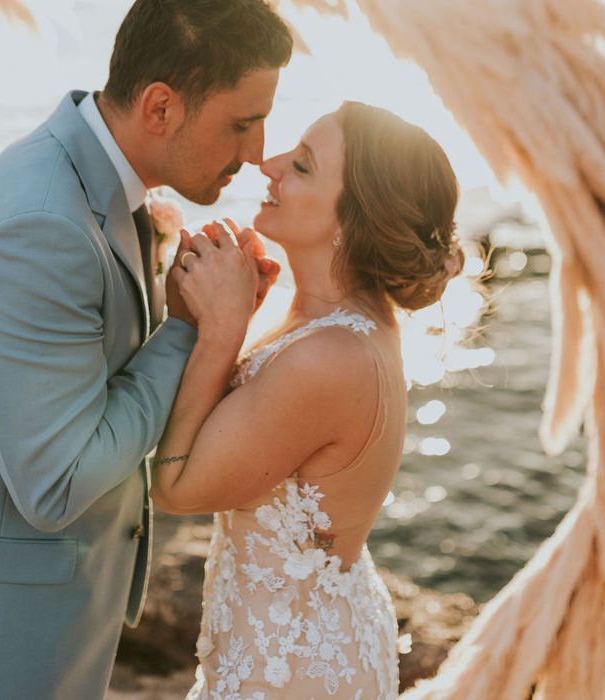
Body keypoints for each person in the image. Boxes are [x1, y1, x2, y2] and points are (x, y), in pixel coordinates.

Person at [0, 2, 292, 699]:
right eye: (242, 123)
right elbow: (57, 482)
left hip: (36, 619)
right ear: (160, 106)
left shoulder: (92, 188)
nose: (256, 152)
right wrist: (190, 328)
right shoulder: (38, 229)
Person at [151, 101, 464, 699]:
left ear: (352, 218)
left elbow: (175, 488)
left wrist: (217, 334)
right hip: (285, 640)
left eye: (301, 164)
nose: (267, 164)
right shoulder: (329, 323)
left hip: (294, 668)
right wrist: (230, 315)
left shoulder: (329, 358)